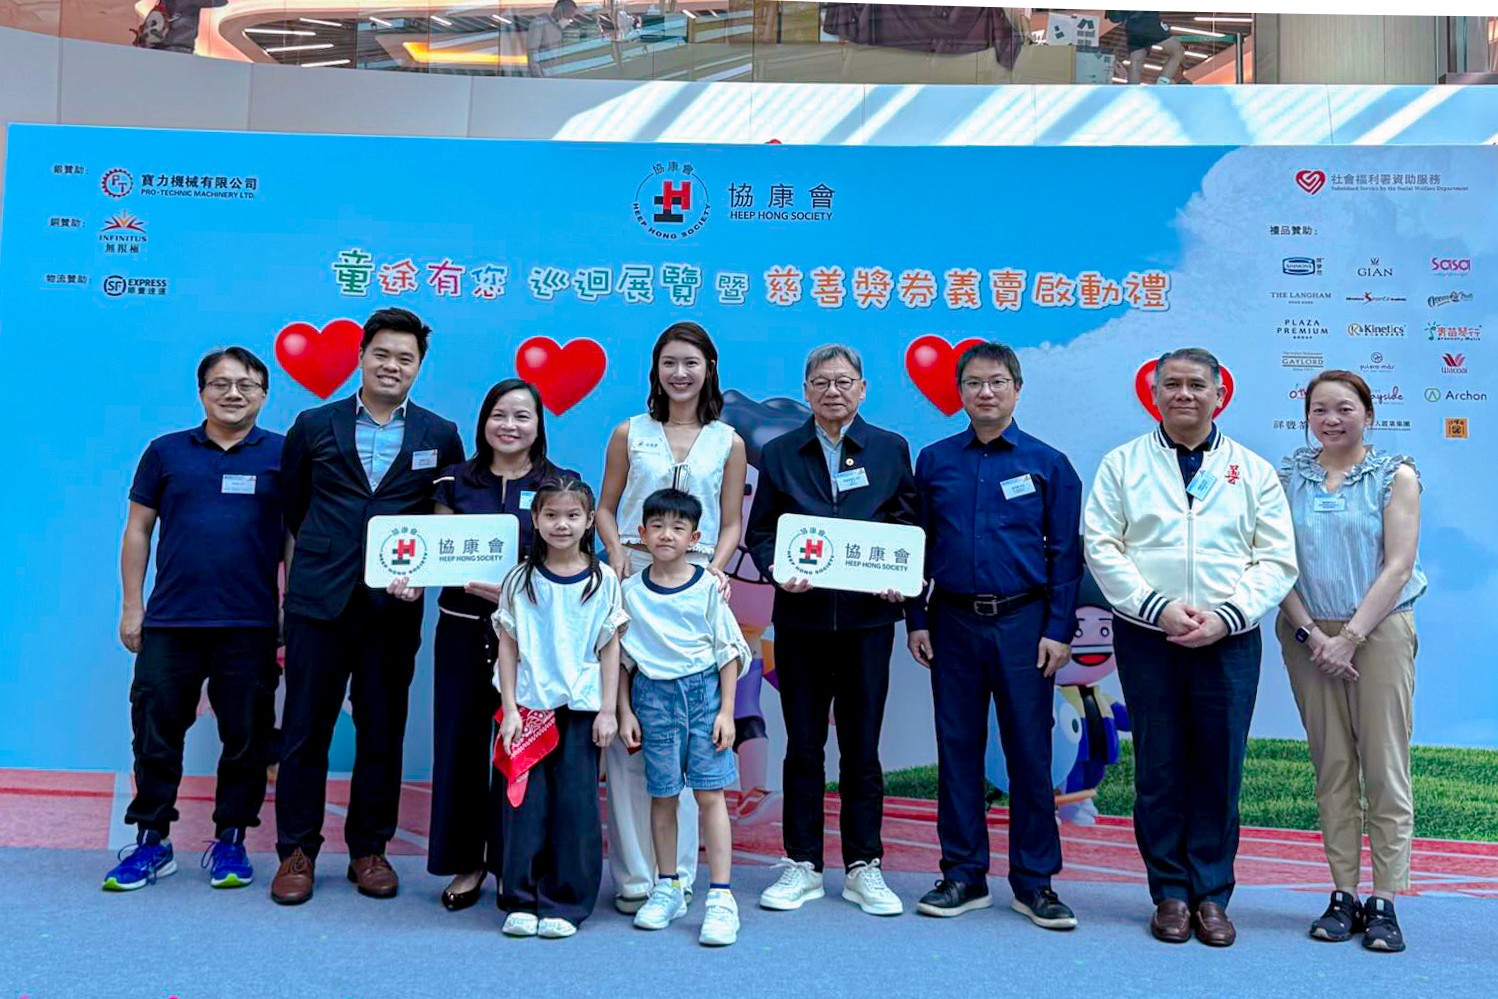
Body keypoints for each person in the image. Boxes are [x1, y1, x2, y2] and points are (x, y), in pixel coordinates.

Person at [1083, 347, 1296, 947]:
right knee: (1159, 766)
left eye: (1197, 385)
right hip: (1149, 636)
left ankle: (1212, 895)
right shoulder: (1122, 464)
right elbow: (1102, 546)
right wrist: (1158, 608)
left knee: (1218, 767)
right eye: (1172, 384)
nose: (1184, 394)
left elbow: (1276, 559)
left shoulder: (1252, 470)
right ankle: (1170, 893)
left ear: (1219, 394)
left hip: (1230, 641)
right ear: (1153, 394)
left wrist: (1228, 616)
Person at [270, 308, 465, 905]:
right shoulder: (313, 425)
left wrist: (422, 576)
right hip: (317, 602)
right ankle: (297, 851)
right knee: (304, 730)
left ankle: (369, 849)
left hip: (393, 608)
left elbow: (443, 519)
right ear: (361, 357)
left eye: (406, 358)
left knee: (382, 730)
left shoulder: (439, 434)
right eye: (382, 354)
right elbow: (295, 508)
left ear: (419, 366)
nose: (392, 366)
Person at [905, 342, 1084, 929]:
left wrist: (1059, 629)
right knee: (957, 748)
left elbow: (1066, 555)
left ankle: (1035, 882)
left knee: (1029, 752)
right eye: (975, 383)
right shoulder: (934, 461)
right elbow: (916, 547)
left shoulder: (1049, 464)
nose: (986, 392)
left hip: (1024, 624)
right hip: (952, 620)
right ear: (960, 392)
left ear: (1017, 389)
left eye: (998, 382)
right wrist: (916, 618)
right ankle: (963, 874)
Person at [745, 343, 918, 917]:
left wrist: (900, 578)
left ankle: (864, 864)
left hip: (868, 622)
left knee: (862, 746)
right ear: (806, 391)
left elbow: (907, 523)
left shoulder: (890, 448)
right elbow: (762, 532)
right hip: (802, 621)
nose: (833, 391)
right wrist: (777, 568)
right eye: (821, 382)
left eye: (844, 381)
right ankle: (803, 864)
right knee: (803, 745)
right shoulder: (780, 453)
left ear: (863, 389)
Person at [107, 347, 283, 892]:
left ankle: (231, 841)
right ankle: (150, 842)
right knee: (154, 734)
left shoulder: (283, 454)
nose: (233, 394)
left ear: (264, 395)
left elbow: (295, 538)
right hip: (171, 621)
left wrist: (290, 608)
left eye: (246, 385)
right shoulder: (165, 452)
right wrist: (133, 606)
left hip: (251, 623)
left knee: (247, 737)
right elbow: (138, 530)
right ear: (202, 392)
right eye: (220, 383)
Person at [596, 321, 747, 913]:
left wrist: (718, 569)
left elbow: (730, 521)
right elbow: (606, 507)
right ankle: (636, 876)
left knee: (690, 732)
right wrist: (616, 554)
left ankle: (679, 877)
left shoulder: (728, 441)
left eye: (691, 363)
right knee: (631, 732)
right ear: (655, 371)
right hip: (633, 581)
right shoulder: (629, 432)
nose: (680, 373)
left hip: (695, 585)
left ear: (709, 370)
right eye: (669, 363)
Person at [1276, 370, 1425, 953]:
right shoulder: (1287, 477)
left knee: (1384, 765)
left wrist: (1351, 636)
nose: (1331, 419)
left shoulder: (1395, 476)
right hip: (1307, 636)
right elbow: (1274, 564)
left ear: (1368, 413)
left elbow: (1399, 565)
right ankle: (1343, 893)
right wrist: (1314, 634)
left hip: (1378, 632)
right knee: (1332, 765)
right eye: (1319, 409)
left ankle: (1385, 899)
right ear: (1307, 417)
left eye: (1344, 408)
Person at [425, 379, 579, 912]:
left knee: (527, 750)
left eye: (522, 416)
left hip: (537, 636)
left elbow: (573, 559)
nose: (509, 425)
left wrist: (515, 591)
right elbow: (440, 557)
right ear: (484, 421)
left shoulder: (561, 482)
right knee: (462, 746)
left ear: (538, 425)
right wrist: (412, 576)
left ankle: (520, 863)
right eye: (499, 414)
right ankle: (467, 862)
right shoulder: (453, 481)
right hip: (464, 628)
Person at [617, 489, 752, 946]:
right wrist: (625, 711)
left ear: (695, 538)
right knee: (663, 796)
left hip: (704, 698)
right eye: (656, 526)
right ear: (641, 533)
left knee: (710, 795)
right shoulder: (630, 592)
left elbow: (727, 652)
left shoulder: (708, 587)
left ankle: (721, 896)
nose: (666, 535)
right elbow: (622, 659)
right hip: (653, 701)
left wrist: (727, 712)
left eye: (678, 527)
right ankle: (668, 886)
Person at [493, 478, 626, 939]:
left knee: (576, 807)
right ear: (535, 519)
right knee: (524, 808)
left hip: (580, 712)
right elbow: (507, 646)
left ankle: (566, 902)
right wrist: (510, 709)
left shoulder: (603, 580)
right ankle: (521, 898)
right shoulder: (519, 580)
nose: (561, 525)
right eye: (551, 515)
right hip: (529, 710)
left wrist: (608, 711)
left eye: (572, 516)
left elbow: (610, 648)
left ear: (589, 521)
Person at [1107, 11, 1185, 84]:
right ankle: (1161, 85)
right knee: (1177, 51)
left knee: (1136, 62)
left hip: (1131, 25)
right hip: (1147, 19)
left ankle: (1133, 91)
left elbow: (1115, 18)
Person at [526, 0, 578, 77]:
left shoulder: (559, 28)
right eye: (568, 16)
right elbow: (532, 52)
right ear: (559, 11)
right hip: (543, 77)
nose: (570, 20)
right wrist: (538, 76)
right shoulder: (539, 24)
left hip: (554, 76)